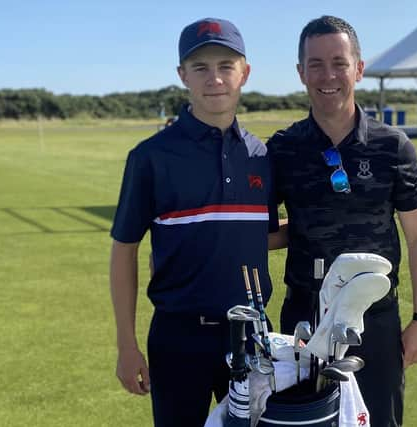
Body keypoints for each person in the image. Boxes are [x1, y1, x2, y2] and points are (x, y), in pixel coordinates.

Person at [267, 16, 417, 427]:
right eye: (316, 64)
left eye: (339, 62)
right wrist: (192, 249)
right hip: (304, 318)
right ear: (300, 72)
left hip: (374, 319)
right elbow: (265, 232)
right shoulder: (282, 149)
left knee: (379, 421)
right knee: (306, 422)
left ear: (358, 68)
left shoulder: (391, 146)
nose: (328, 75)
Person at [109, 17, 272, 427]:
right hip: (178, 338)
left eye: (225, 66)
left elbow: (254, 233)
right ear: (182, 75)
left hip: (253, 337)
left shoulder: (262, 156)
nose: (214, 78)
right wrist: (126, 345)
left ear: (245, 73)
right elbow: (125, 249)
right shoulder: (150, 157)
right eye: (200, 67)